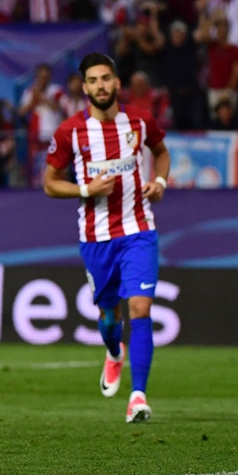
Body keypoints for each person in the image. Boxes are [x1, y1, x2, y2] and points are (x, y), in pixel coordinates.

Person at [44, 52, 170, 423]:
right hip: (97, 237)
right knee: (109, 315)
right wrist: (86, 188)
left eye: (106, 79)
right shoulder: (70, 131)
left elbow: (161, 154)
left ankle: (138, 396)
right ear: (85, 88)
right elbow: (50, 184)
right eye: (93, 81)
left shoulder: (140, 120)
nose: (101, 86)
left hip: (139, 230)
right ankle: (114, 352)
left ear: (117, 83)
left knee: (141, 309)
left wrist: (160, 181)